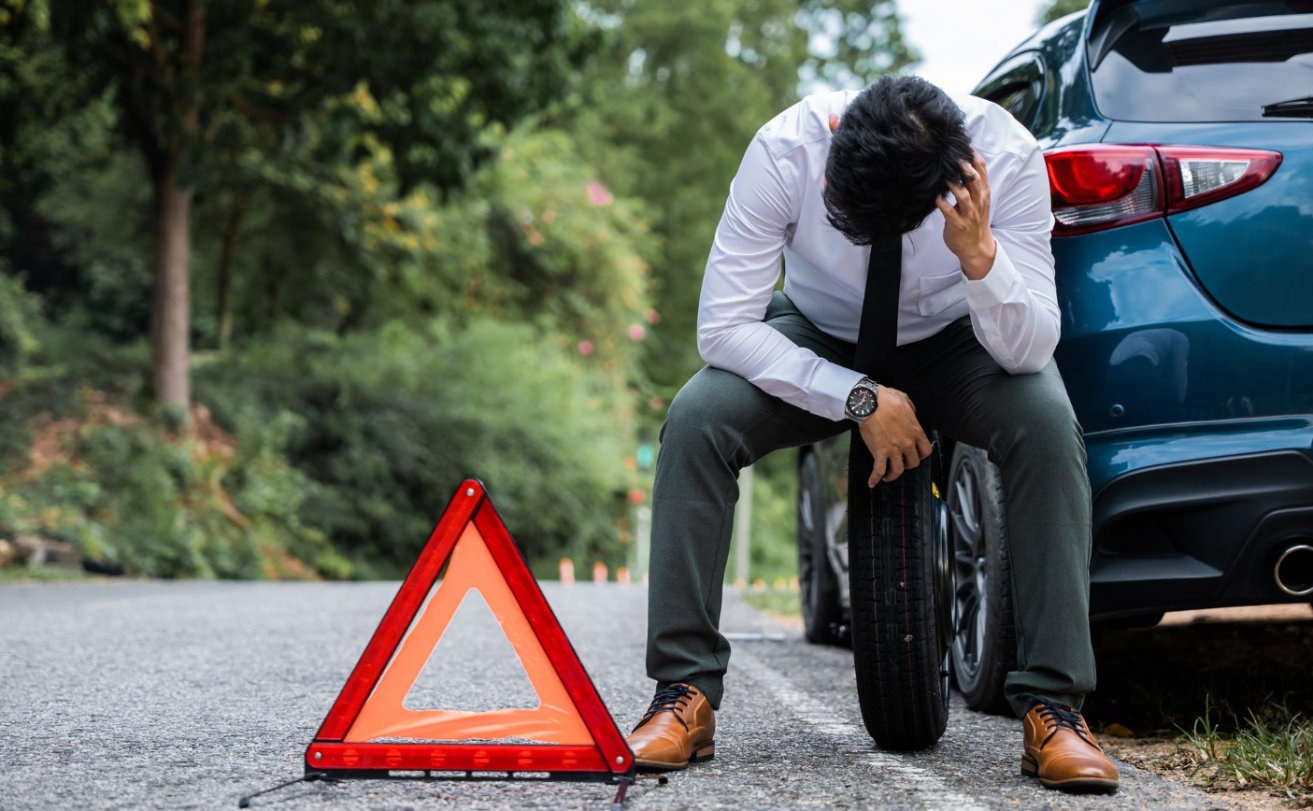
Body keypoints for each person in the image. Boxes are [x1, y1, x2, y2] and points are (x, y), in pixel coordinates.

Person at [623, 75, 1118, 794]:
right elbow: (723, 328)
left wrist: (979, 255)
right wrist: (855, 395)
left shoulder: (1005, 157)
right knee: (697, 419)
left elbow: (1026, 351)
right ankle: (684, 693)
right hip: (821, 337)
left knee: (1044, 420)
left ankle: (1053, 706)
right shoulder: (785, 150)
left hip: (959, 339)